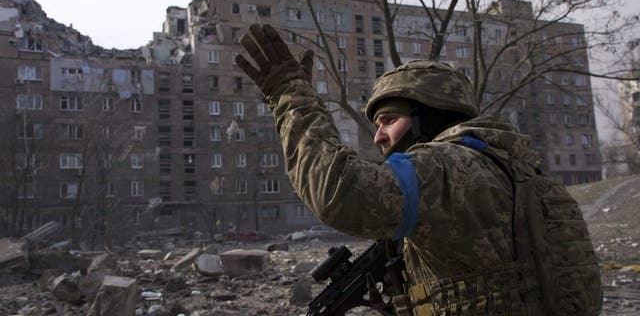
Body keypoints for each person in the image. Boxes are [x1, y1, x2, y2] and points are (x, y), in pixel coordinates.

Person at [235, 24, 601, 315]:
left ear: (430, 117)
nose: (378, 137)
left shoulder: (447, 168)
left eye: (389, 120)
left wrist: (290, 94)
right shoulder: (516, 169)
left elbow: (339, 193)